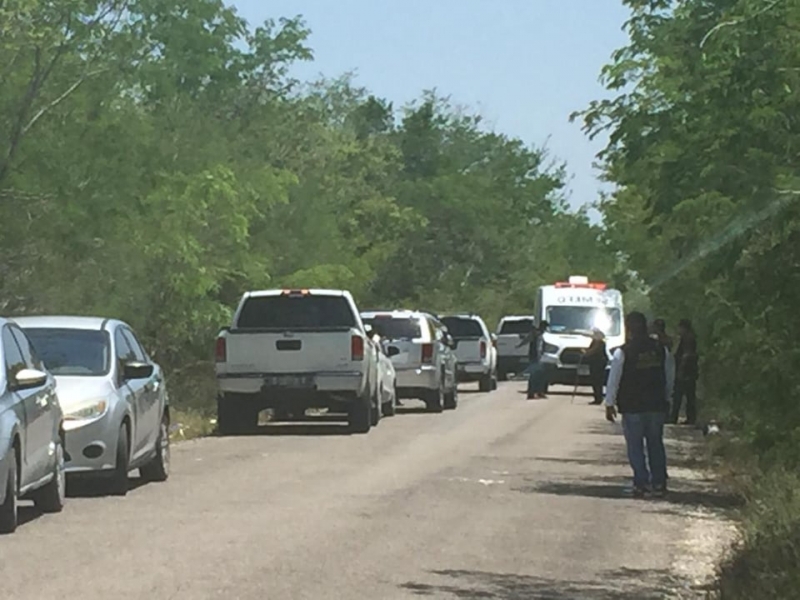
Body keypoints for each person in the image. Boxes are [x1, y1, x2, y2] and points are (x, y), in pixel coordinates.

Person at [605, 311, 676, 498]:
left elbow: (614, 379)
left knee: (635, 446)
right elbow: (670, 376)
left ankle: (641, 483)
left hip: (632, 406)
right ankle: (659, 483)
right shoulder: (661, 350)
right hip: (656, 405)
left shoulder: (623, 352)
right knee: (655, 444)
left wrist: (609, 402)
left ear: (628, 328)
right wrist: (667, 398)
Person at [670, 318, 699, 425]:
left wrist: (681, 369)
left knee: (679, 394)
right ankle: (690, 417)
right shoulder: (688, 337)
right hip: (690, 371)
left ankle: (674, 417)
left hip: (686, 371)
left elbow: (687, 355)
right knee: (689, 395)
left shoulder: (688, 338)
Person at [518, 320, 550, 400]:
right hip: (534, 357)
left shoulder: (541, 335)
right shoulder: (535, 334)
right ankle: (531, 393)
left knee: (540, 376)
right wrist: (519, 346)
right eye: (544, 327)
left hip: (539, 358)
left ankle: (539, 392)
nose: (545, 329)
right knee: (534, 376)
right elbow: (527, 340)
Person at [583, 328, 608, 405]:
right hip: (594, 363)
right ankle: (597, 397)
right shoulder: (595, 342)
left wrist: (586, 354)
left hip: (598, 363)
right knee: (595, 381)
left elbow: (593, 351)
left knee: (597, 381)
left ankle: (598, 398)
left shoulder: (600, 343)